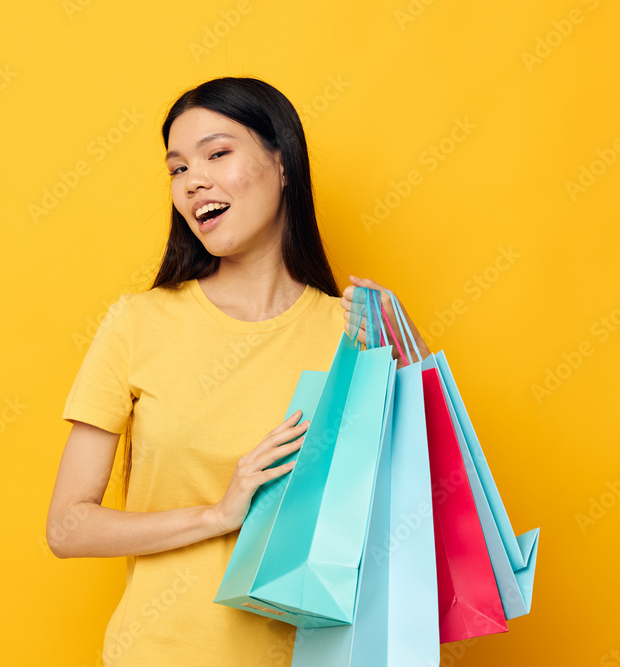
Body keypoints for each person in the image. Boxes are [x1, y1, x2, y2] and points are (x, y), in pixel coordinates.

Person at [46, 76, 431, 666]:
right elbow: (68, 528)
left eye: (217, 153)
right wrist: (219, 515)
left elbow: (416, 522)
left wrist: (411, 361)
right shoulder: (138, 322)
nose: (192, 179)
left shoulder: (352, 331)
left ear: (283, 164)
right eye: (177, 169)